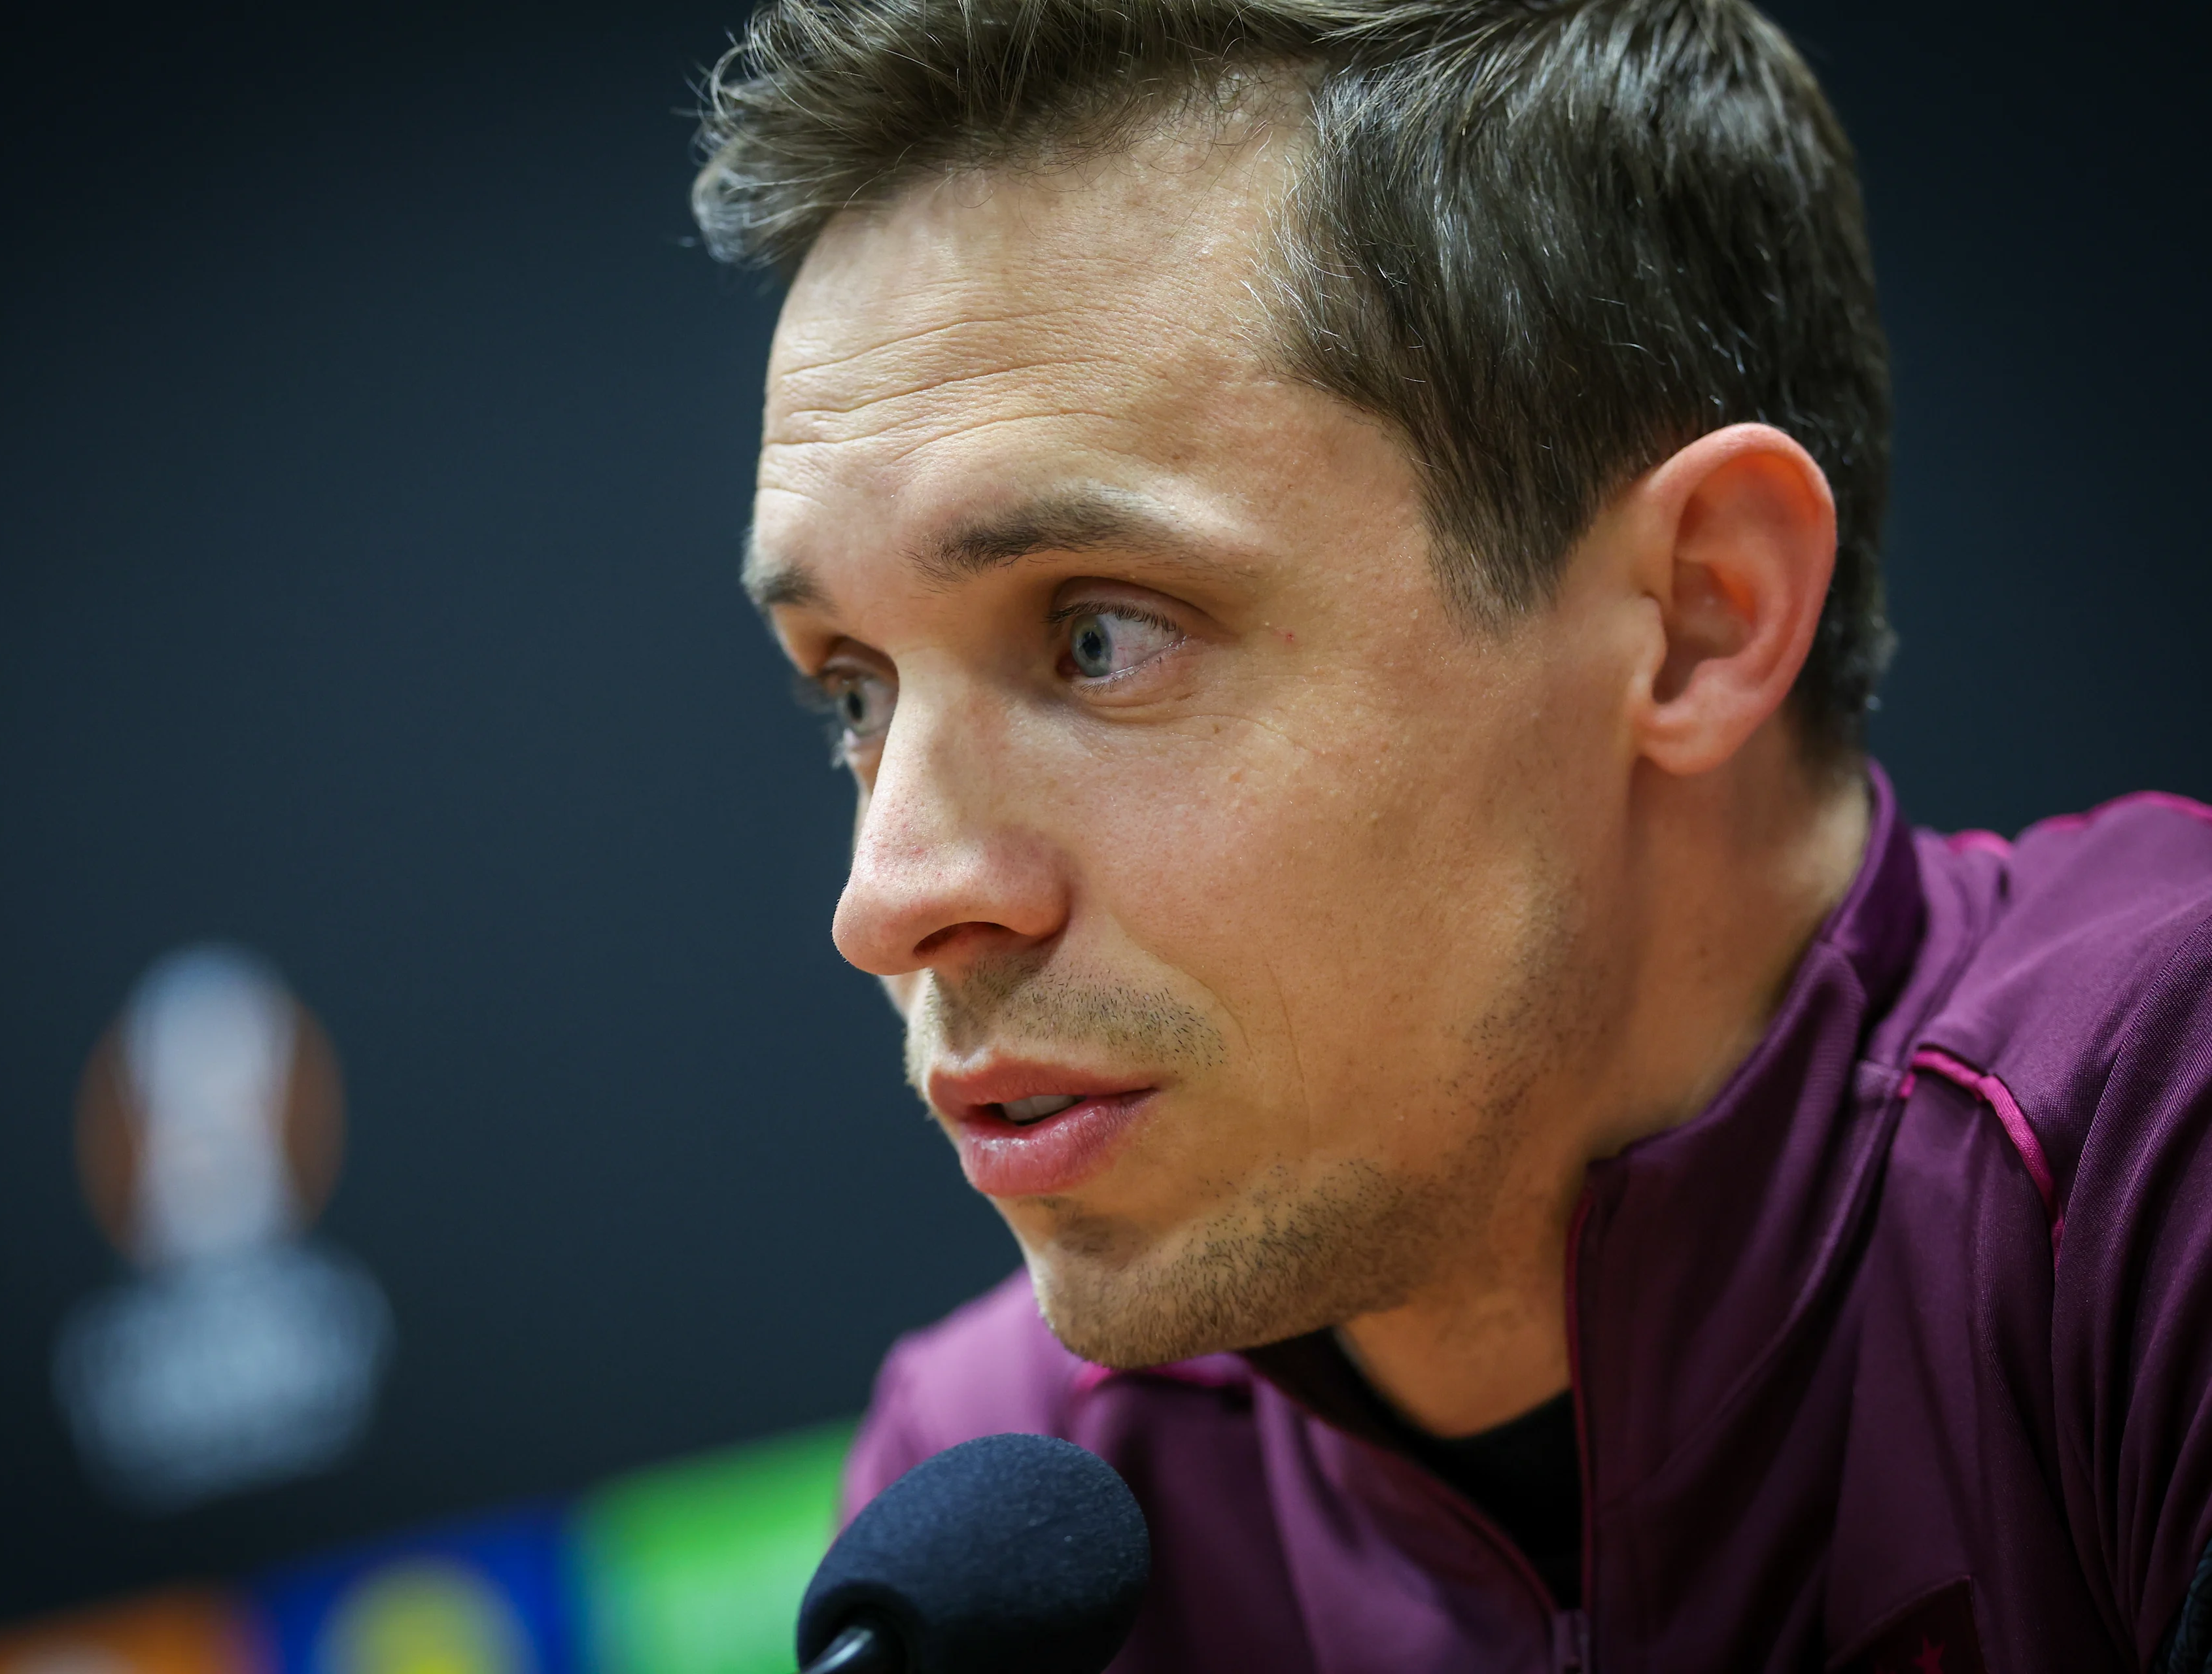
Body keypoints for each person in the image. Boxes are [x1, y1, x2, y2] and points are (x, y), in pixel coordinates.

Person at [691, 2, 2212, 1667]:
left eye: (1101, 636)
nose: (890, 896)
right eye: (852, 691)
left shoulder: (2150, 1144)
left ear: (1699, 616)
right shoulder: (1001, 1496)